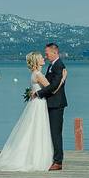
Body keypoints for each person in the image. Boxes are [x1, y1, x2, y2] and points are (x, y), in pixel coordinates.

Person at [0, 52, 53, 171]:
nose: (43, 59)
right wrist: (62, 80)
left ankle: (28, 155)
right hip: (39, 104)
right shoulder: (38, 74)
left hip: (35, 103)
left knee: (32, 129)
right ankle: (36, 159)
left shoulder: (33, 74)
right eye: (41, 58)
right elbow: (50, 88)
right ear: (36, 61)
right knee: (38, 129)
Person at [36, 42, 68, 170]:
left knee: (56, 133)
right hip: (50, 102)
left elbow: (54, 85)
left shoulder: (59, 66)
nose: (46, 55)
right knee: (49, 132)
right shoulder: (51, 65)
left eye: (47, 53)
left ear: (55, 53)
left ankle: (58, 161)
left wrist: (38, 93)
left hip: (56, 104)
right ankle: (51, 158)